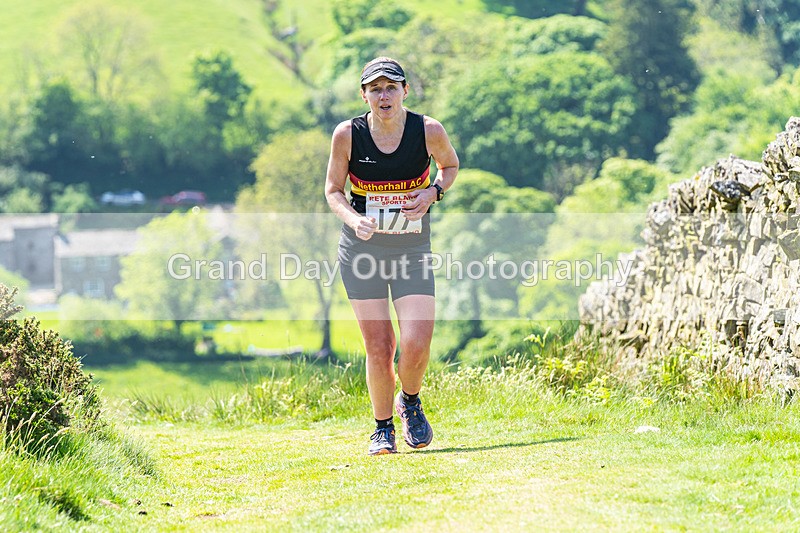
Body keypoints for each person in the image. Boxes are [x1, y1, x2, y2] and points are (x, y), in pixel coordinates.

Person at [324, 57, 459, 455]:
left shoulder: (428, 130)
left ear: (405, 91)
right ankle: (382, 428)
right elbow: (333, 190)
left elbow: (450, 166)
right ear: (364, 95)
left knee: (416, 341)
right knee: (380, 346)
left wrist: (432, 192)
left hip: (411, 248)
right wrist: (353, 219)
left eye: (391, 88)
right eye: (375, 89)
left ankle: (410, 401)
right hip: (362, 250)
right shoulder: (347, 135)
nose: (384, 96)